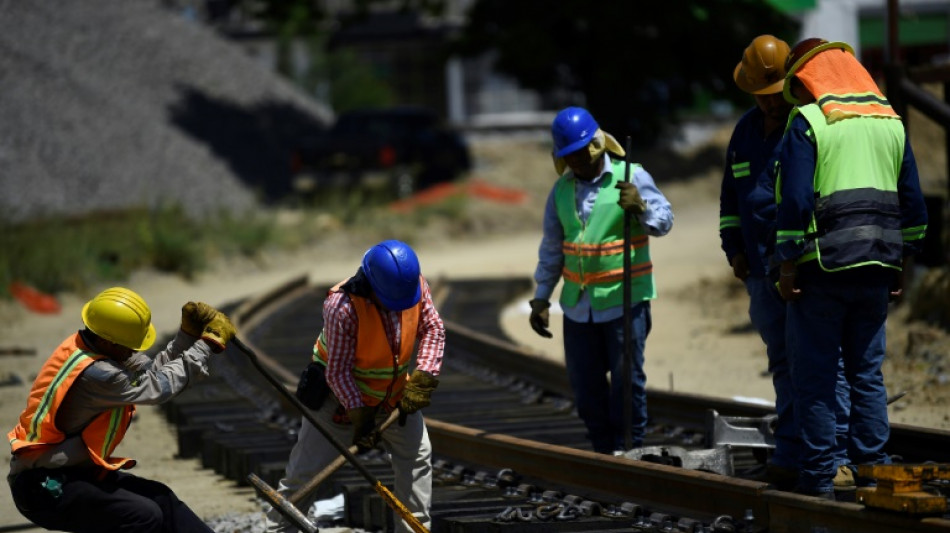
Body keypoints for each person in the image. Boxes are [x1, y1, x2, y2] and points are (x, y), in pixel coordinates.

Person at [773, 38, 929, 499]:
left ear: (809, 78)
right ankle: (874, 469)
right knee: (866, 373)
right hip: (879, 268)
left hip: (822, 270)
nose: (799, 96)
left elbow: (796, 200)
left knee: (817, 376)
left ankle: (821, 476)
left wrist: (787, 265)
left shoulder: (809, 121)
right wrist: (902, 265)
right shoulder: (891, 122)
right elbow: (913, 204)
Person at [723, 34, 855, 491]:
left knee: (821, 362)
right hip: (761, 271)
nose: (771, 103)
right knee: (782, 361)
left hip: (801, 267)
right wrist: (733, 248)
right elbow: (731, 198)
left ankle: (838, 454)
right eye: (761, 96)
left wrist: (794, 260)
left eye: (775, 93)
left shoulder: (808, 124)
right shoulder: (744, 132)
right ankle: (793, 448)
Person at [7, 287, 235, 532]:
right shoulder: (98, 374)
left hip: (71, 473)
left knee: (164, 500)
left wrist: (187, 337)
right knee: (143, 515)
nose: (133, 351)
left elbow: (150, 373)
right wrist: (206, 345)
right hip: (44, 488)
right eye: (129, 345)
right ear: (107, 341)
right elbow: (159, 387)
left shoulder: (90, 346)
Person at [266, 239, 445, 533]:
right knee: (304, 477)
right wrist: (360, 418)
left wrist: (424, 375)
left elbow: (433, 328)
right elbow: (338, 372)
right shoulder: (342, 307)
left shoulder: (411, 285)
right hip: (338, 402)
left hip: (394, 399)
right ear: (373, 284)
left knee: (417, 460)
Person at [528, 107, 673, 454]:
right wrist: (542, 297)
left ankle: (628, 449)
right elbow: (552, 249)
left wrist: (641, 208)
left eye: (582, 152)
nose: (577, 161)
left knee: (627, 382)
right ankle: (602, 450)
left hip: (625, 301)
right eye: (569, 156)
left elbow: (665, 221)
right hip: (579, 306)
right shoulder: (560, 191)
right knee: (585, 387)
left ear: (597, 145)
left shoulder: (632, 176)